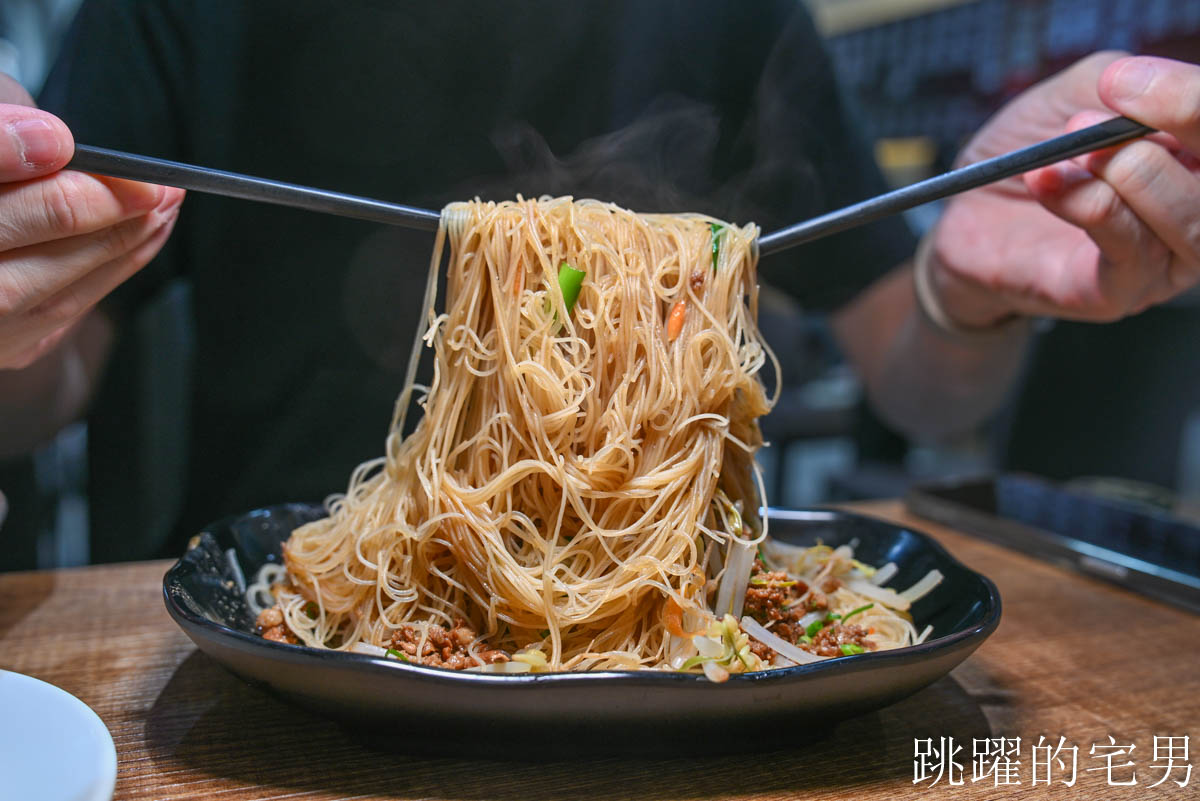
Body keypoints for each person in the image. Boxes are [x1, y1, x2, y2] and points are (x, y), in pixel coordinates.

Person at [0, 0, 1197, 554]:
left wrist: (960, 287)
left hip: (678, 624)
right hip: (285, 612)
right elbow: (45, 391)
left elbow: (927, 388)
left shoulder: (732, 16)